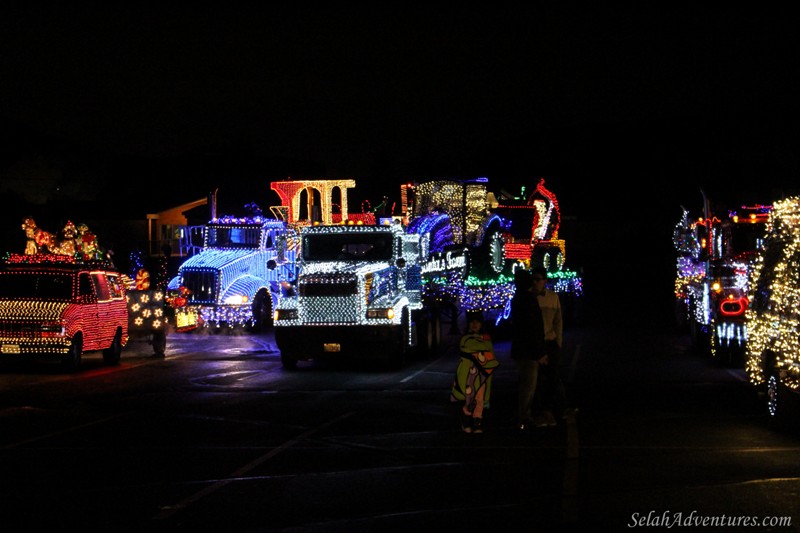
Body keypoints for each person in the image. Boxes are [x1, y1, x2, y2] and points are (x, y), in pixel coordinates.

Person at [449, 310, 499, 433]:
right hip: (468, 374)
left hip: (482, 375)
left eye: (477, 322)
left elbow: (490, 355)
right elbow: (478, 349)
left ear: (482, 324)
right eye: (472, 322)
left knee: (480, 398)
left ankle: (477, 420)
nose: (474, 324)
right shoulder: (466, 338)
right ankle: (466, 419)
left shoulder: (485, 339)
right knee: (469, 397)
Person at [510, 268, 547, 431]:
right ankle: (523, 417)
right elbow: (532, 329)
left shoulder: (518, 299)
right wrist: (539, 352)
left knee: (525, 384)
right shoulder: (528, 300)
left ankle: (524, 415)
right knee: (529, 386)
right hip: (529, 351)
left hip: (520, 349)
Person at [529, 265, 566, 427]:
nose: (535, 282)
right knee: (536, 381)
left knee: (553, 378)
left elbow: (558, 321)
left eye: (538, 279)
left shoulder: (552, 297)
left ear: (544, 281)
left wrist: (557, 343)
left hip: (550, 343)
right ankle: (540, 412)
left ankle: (551, 411)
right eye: (533, 279)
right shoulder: (529, 298)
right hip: (535, 344)